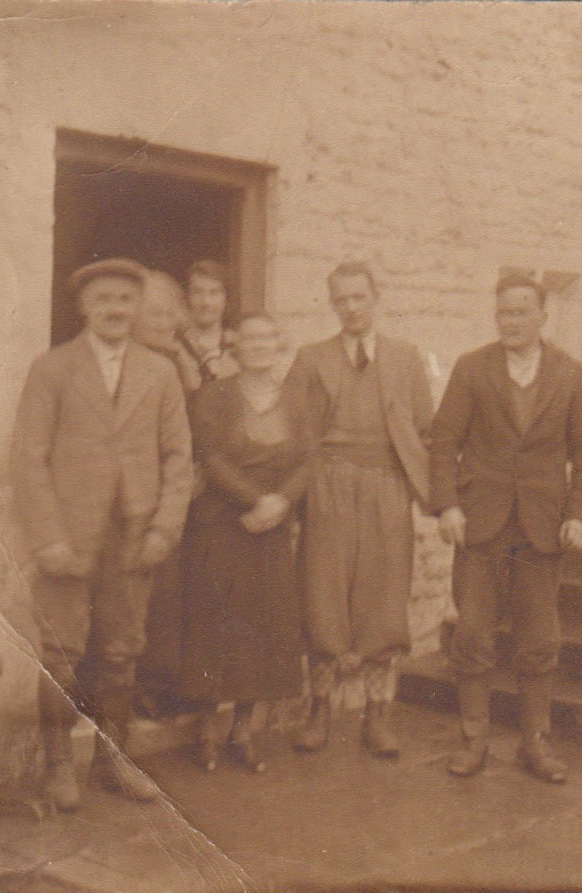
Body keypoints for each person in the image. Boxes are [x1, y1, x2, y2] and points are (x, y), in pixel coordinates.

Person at [12, 258, 193, 811]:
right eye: (104, 299)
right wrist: (47, 537)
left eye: (125, 299)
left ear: (138, 309)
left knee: (121, 652)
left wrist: (164, 527)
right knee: (62, 650)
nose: (115, 309)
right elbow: (28, 458)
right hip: (69, 534)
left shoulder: (159, 372)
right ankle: (57, 764)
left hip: (133, 534)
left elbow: (178, 457)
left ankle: (116, 761)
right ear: (84, 308)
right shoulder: (53, 369)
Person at [429, 271, 582, 784]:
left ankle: (535, 742)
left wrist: (579, 515)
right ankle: (473, 739)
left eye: (522, 312)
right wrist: (447, 507)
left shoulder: (571, 374)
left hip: (542, 525)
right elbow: (443, 442)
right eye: (504, 312)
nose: (512, 322)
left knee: (539, 637)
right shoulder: (471, 369)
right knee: (475, 632)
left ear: (544, 316)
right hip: (481, 522)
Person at [285, 261, 432, 757]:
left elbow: (424, 429)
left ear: (376, 298)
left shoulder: (407, 358)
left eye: (358, 298)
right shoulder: (310, 359)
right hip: (328, 484)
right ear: (332, 305)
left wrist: (423, 488)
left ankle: (377, 714)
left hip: (387, 483)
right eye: (340, 300)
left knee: (384, 597)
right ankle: (319, 708)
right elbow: (293, 433)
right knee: (322, 592)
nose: (350, 308)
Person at [179, 314, 307, 773]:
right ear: (234, 347)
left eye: (266, 337)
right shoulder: (213, 396)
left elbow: (309, 461)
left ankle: (243, 732)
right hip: (222, 521)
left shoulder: (296, 398)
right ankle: (208, 732)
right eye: (248, 338)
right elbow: (211, 458)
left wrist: (281, 503)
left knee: (263, 628)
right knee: (216, 623)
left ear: (279, 343)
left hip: (271, 528)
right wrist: (257, 501)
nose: (257, 346)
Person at [130, 270, 195, 717]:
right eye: (155, 311)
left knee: (165, 596)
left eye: (170, 312)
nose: (164, 320)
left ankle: (153, 685)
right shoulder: (118, 359)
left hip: (167, 497)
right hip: (124, 497)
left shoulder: (173, 365)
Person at [176, 259, 240, 390]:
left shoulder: (239, 345)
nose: (206, 302)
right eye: (198, 292)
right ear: (187, 298)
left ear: (226, 299)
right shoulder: (174, 345)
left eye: (214, 292)